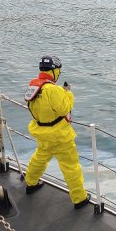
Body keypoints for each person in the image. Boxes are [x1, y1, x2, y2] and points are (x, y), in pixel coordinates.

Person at [23, 55, 89, 209]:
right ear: (54, 71)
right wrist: (68, 93)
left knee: (39, 158)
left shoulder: (33, 86)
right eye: (58, 71)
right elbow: (65, 109)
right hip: (60, 135)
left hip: (42, 132)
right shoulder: (54, 90)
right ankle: (79, 198)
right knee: (70, 166)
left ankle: (31, 183)